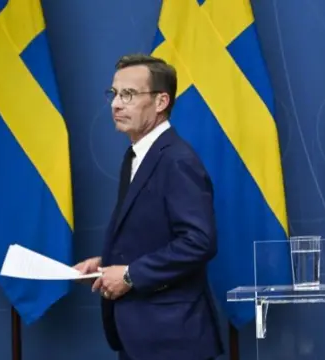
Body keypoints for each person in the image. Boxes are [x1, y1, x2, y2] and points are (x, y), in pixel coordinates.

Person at [74, 54, 223, 360]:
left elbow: (199, 241)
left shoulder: (177, 160)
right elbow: (157, 233)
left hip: (172, 340)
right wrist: (107, 262)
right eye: (114, 94)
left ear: (160, 102)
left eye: (128, 95)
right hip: (143, 337)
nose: (116, 104)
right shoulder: (137, 156)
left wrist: (129, 274)